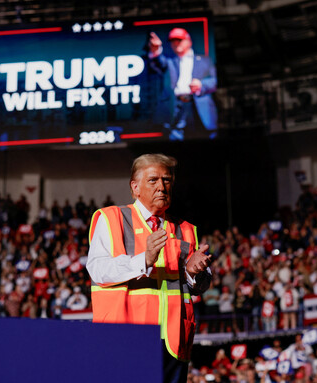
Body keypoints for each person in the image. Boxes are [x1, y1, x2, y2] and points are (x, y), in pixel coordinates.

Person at [86, 153, 212, 383]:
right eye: (153, 180)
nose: (162, 187)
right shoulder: (110, 218)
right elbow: (98, 270)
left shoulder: (186, 229)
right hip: (124, 338)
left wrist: (194, 273)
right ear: (135, 188)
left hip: (174, 340)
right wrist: (144, 259)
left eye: (167, 180)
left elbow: (199, 287)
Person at [146, 28, 218, 141]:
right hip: (177, 105)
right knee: (175, 137)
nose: (175, 43)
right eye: (173, 41)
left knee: (205, 138)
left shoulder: (204, 60)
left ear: (189, 41)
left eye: (179, 40)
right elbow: (158, 63)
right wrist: (155, 51)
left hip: (198, 103)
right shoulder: (170, 62)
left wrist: (201, 84)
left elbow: (214, 81)